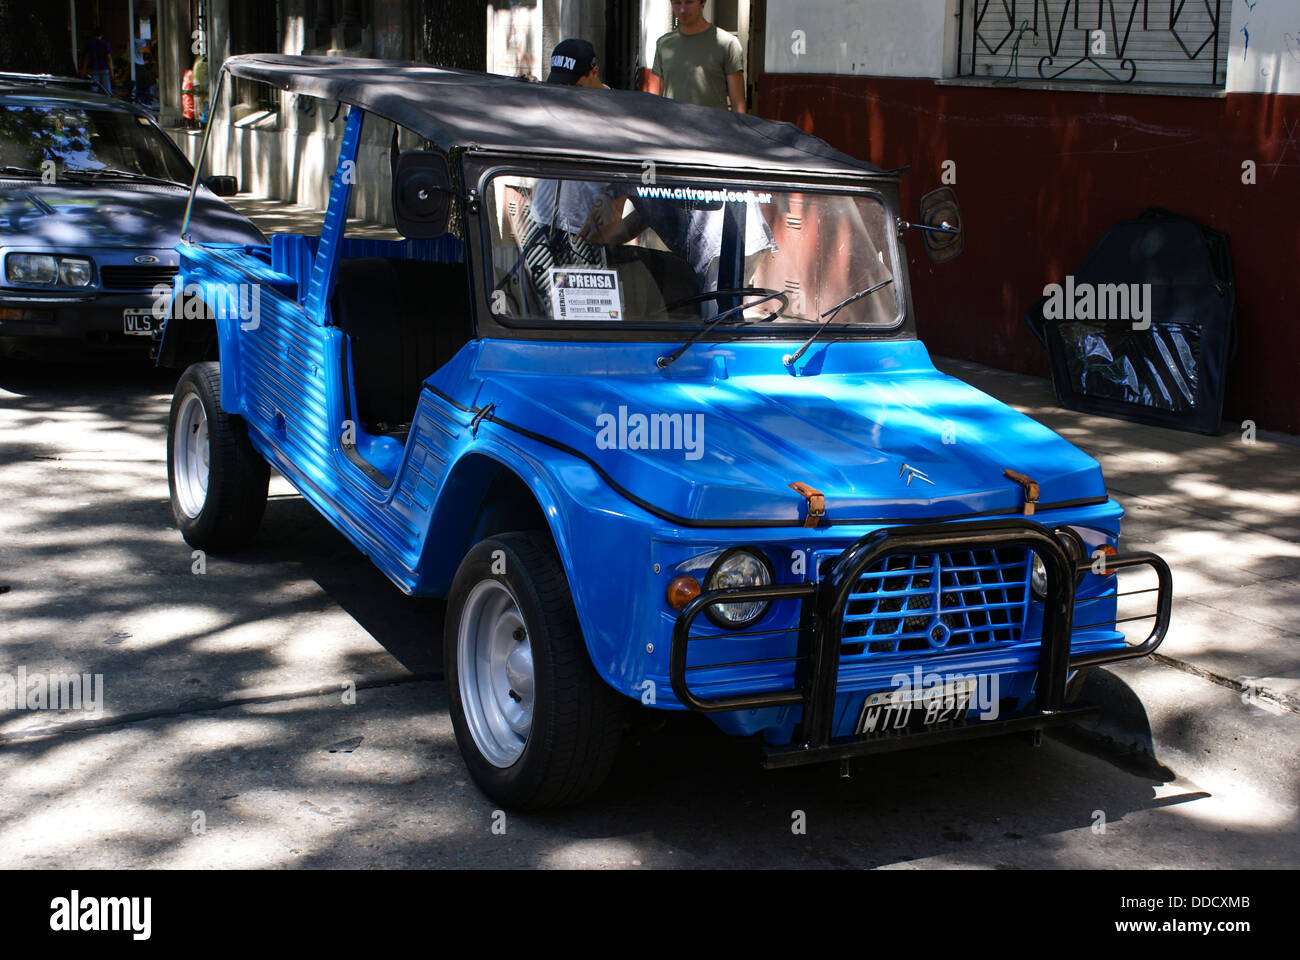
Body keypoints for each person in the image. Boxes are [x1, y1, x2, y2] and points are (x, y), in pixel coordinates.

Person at [648, 0, 745, 113]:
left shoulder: (728, 44)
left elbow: (738, 105)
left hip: (712, 128)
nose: (682, 10)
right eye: (677, 3)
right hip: (672, 127)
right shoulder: (663, 44)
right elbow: (654, 101)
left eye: (689, 2)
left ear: (702, 2)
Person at [86, 26, 113, 96]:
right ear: (102, 34)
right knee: (106, 90)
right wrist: (111, 71)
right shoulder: (106, 44)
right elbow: (109, 58)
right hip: (104, 68)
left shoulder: (90, 44)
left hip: (94, 68)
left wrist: (84, 69)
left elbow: (87, 57)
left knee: (94, 90)